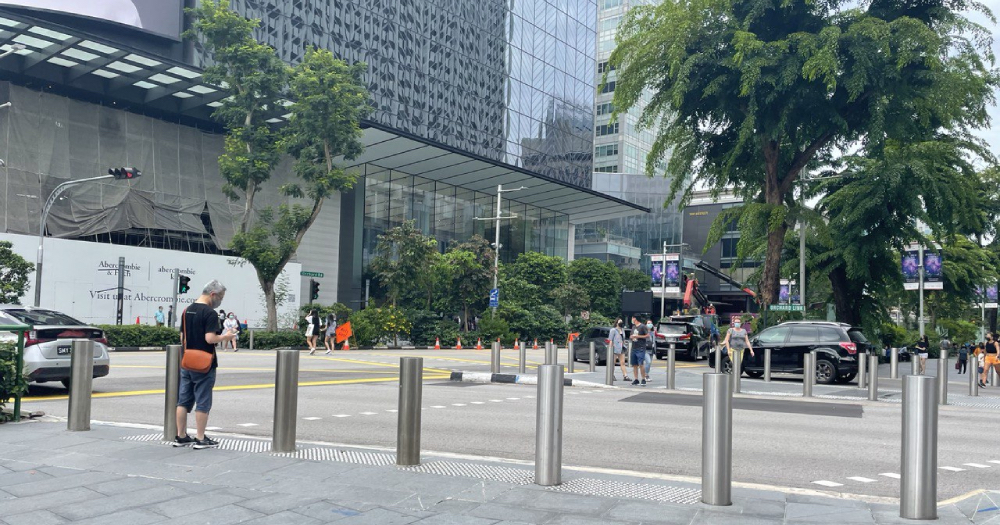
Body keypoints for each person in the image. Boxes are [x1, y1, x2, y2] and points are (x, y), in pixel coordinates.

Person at [173, 280, 237, 450]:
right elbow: (210, 339)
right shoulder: (210, 313)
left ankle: (181, 436)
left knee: (183, 401)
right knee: (203, 400)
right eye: (220, 297)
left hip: (187, 360)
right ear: (213, 294)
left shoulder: (187, 310)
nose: (220, 301)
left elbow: (182, 337)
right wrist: (226, 337)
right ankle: (200, 438)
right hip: (204, 362)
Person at [629, 316, 649, 386]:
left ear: (635, 318)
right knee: (634, 364)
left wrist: (637, 336)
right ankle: (636, 379)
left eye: (632, 318)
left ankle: (643, 379)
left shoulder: (642, 326)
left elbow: (647, 335)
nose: (632, 319)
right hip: (634, 347)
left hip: (641, 347)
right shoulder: (633, 327)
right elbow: (631, 335)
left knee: (641, 364)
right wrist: (631, 337)